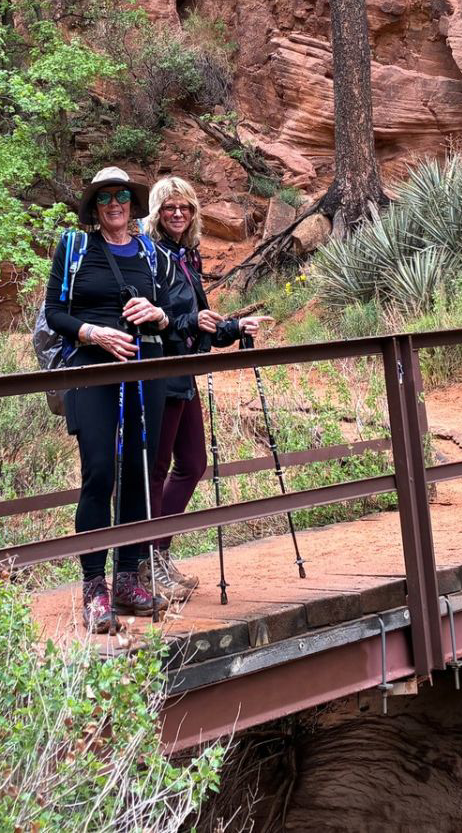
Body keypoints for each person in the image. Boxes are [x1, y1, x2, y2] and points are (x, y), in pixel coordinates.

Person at [43, 166, 193, 633]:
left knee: (139, 471)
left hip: (144, 369)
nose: (115, 204)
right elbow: (53, 313)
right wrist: (92, 332)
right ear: (94, 205)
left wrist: (158, 314)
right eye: (105, 197)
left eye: (123, 196)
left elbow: (179, 311)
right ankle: (94, 586)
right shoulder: (75, 248)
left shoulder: (151, 254)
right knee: (100, 471)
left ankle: (127, 578)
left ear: (132, 203)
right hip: (93, 369)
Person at [142, 176, 269, 599]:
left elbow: (202, 324)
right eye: (169, 207)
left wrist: (234, 327)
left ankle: (157, 552)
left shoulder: (186, 257)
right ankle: (146, 562)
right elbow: (152, 319)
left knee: (193, 463)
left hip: (184, 373)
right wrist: (188, 323)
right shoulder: (151, 257)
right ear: (157, 213)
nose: (178, 213)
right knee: (156, 469)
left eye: (185, 207)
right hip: (160, 374)